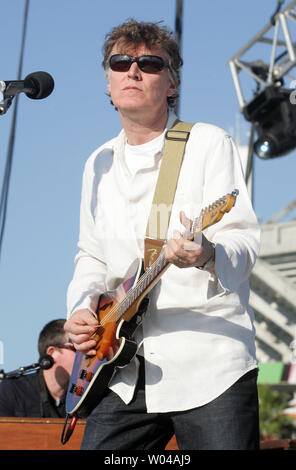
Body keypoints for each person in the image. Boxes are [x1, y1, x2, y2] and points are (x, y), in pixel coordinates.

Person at [64, 19, 261, 450]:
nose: (132, 72)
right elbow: (91, 256)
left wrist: (207, 252)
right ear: (108, 77)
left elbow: (245, 242)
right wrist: (81, 308)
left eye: (149, 64)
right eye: (121, 62)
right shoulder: (97, 163)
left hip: (208, 362)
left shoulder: (208, 143)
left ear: (172, 83)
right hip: (122, 368)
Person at [0, 319, 75, 417]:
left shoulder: (87, 399)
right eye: (76, 348)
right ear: (52, 353)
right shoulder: (9, 393)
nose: (85, 354)